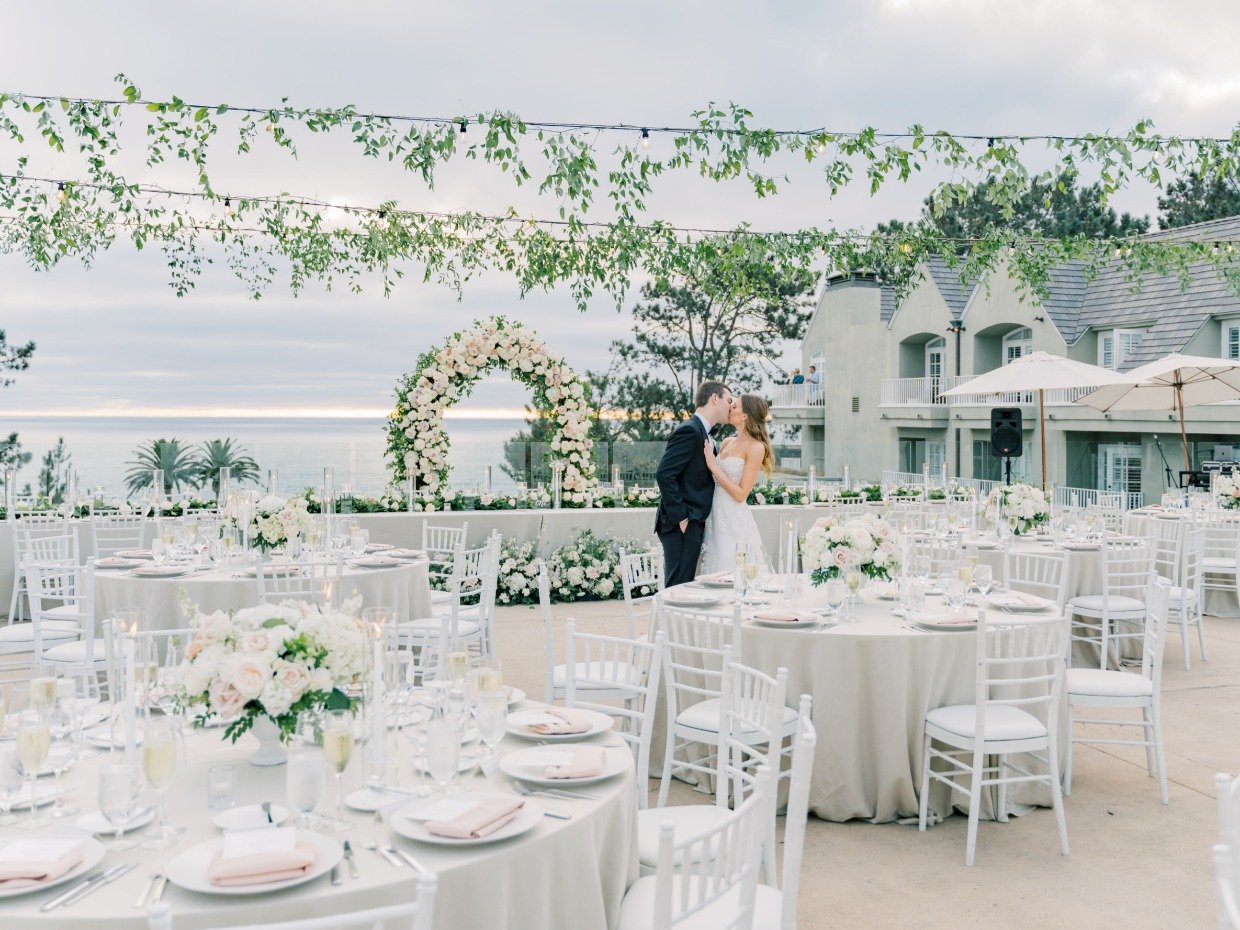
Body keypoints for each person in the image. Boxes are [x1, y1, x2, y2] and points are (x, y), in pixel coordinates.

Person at [654, 379, 733, 587]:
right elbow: (664, 474)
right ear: (714, 398)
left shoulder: (703, 432)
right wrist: (682, 518)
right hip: (682, 523)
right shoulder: (690, 430)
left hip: (693, 522)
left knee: (685, 585)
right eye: (729, 400)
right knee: (677, 587)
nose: (731, 406)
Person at [700, 394, 774, 574]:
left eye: (735, 406)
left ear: (745, 416)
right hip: (714, 514)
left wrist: (713, 466)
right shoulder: (727, 442)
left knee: (733, 568)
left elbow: (741, 494)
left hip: (733, 517)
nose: (730, 407)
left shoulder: (756, 447)